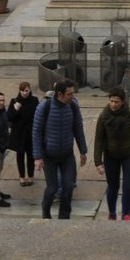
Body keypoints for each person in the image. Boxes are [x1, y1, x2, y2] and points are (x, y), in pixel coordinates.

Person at [93, 86, 130, 221]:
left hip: (129, 154)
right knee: (113, 186)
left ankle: (126, 213)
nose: (113, 104)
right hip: (111, 156)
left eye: (116, 102)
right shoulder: (104, 116)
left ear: (122, 102)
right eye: (111, 101)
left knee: (127, 186)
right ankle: (112, 213)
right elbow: (98, 139)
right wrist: (98, 162)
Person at [32, 80, 87, 219]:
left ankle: (64, 217)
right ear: (60, 94)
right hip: (49, 155)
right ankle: (46, 212)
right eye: (69, 94)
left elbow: (78, 128)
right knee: (52, 188)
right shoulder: (44, 107)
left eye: (73, 93)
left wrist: (83, 151)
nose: (72, 96)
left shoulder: (73, 106)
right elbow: (36, 132)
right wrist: (37, 157)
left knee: (68, 186)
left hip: (67, 155)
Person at [6, 80, 39, 188]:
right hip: (19, 133)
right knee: (20, 155)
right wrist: (15, 110)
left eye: (26, 91)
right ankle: (21, 176)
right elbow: (9, 117)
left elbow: (38, 115)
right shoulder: (14, 101)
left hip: (30, 133)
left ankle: (30, 175)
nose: (24, 93)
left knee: (30, 155)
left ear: (29, 90)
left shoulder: (34, 100)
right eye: (22, 91)